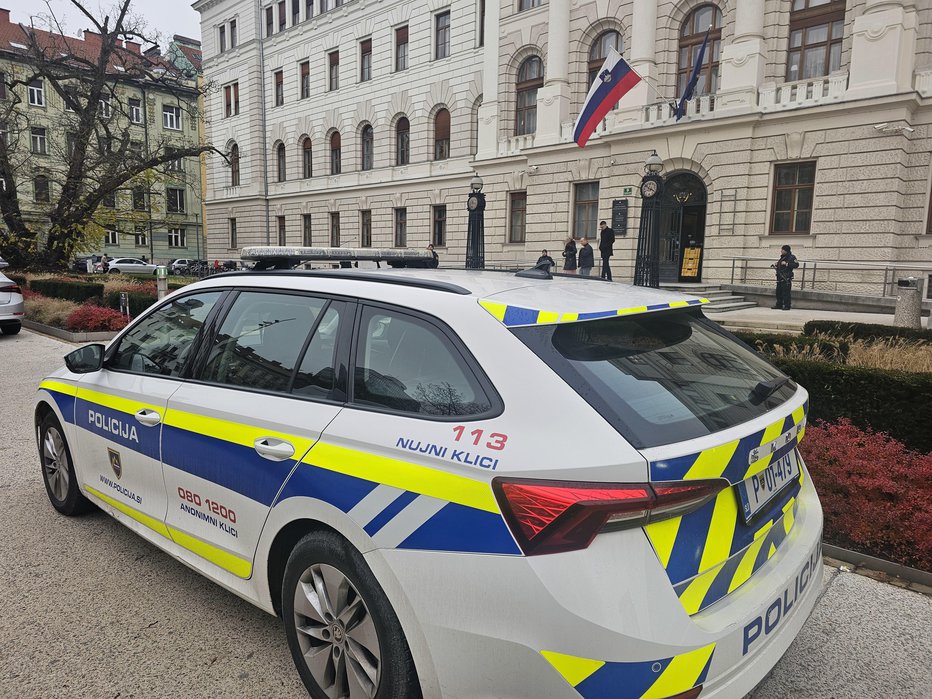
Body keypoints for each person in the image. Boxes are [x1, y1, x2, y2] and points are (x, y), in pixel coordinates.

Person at [771, 244, 799, 310]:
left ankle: (787, 306)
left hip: (786, 278)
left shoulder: (792, 257)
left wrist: (787, 264)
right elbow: (781, 266)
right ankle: (779, 304)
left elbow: (796, 264)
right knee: (778, 292)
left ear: (786, 250)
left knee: (786, 293)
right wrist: (776, 264)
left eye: (782, 249)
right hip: (780, 277)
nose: (781, 251)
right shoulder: (782, 257)